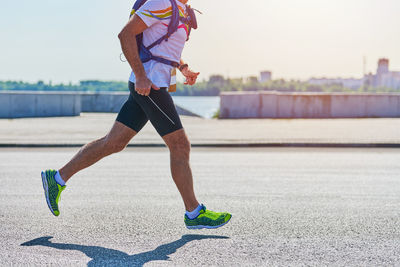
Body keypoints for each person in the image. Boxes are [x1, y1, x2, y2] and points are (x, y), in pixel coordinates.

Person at [41, 0, 231, 229]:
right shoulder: (161, 2)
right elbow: (125, 34)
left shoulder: (183, 11)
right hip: (150, 86)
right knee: (180, 145)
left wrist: (183, 68)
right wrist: (140, 75)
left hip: (150, 84)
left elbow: (165, 48)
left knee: (113, 142)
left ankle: (57, 178)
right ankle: (194, 213)